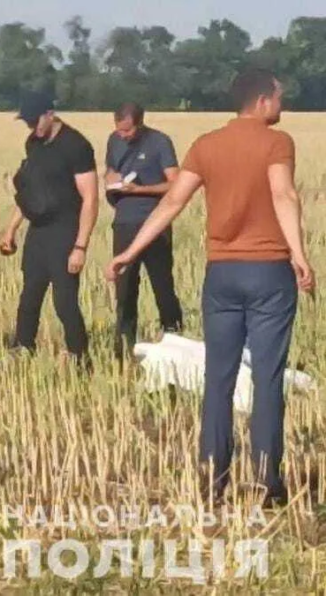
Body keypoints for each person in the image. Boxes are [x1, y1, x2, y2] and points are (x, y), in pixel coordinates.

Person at [105, 68, 316, 507]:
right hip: (268, 272)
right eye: (279, 97)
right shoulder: (278, 142)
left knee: (218, 379)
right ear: (262, 102)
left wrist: (130, 252)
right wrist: (299, 254)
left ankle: (211, 477)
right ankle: (264, 481)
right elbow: (284, 196)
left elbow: (171, 202)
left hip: (221, 275)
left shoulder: (206, 144)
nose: (282, 104)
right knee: (267, 378)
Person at [0, 91, 99, 369]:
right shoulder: (33, 143)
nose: (32, 127)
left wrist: (80, 246)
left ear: (50, 114)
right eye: (28, 122)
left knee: (64, 299)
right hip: (38, 229)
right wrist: (11, 230)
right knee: (30, 293)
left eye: (35, 121)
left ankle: (79, 356)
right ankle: (22, 347)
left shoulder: (76, 145)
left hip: (65, 229)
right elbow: (29, 192)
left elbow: (90, 198)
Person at [104, 102, 185, 362]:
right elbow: (110, 169)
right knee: (125, 288)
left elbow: (175, 183)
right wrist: (111, 181)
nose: (123, 136)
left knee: (162, 285)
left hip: (155, 223)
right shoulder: (113, 141)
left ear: (139, 123)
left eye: (127, 131)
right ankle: (124, 349)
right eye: (119, 131)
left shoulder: (160, 142)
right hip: (124, 222)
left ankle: (174, 339)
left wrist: (139, 190)